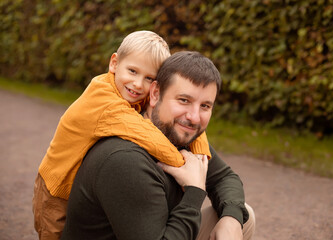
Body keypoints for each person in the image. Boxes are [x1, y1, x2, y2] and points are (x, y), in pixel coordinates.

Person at [32, 31, 212, 240]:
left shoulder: (131, 93)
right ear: (114, 63)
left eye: (149, 78)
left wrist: (201, 154)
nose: (137, 84)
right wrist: (185, 165)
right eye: (133, 71)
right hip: (56, 190)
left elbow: (192, 123)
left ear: (156, 86)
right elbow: (146, 135)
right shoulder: (104, 102)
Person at [61, 51, 256, 240]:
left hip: (164, 232)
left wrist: (231, 220)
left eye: (205, 106)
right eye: (184, 100)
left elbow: (225, 178)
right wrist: (194, 191)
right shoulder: (126, 160)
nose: (194, 117)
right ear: (155, 94)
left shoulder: (179, 136)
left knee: (241, 215)